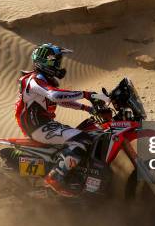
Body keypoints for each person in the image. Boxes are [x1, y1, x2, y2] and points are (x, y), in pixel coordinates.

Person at [15, 43, 109, 197]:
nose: (58, 65)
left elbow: (60, 100)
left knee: (87, 133)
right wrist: (87, 94)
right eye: (55, 61)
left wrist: (87, 109)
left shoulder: (44, 81)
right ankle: (55, 178)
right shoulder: (34, 80)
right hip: (38, 127)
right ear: (44, 61)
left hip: (46, 125)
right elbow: (55, 95)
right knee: (82, 140)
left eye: (58, 61)